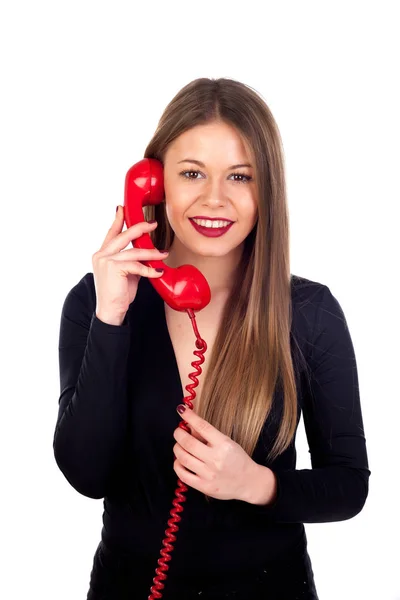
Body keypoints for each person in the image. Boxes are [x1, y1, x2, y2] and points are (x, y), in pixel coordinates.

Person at [53, 77, 370, 600]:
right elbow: (86, 474)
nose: (214, 199)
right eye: (192, 173)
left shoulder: (309, 313)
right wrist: (113, 315)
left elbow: (349, 486)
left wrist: (255, 484)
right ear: (153, 182)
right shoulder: (95, 301)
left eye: (240, 176)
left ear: (265, 188)